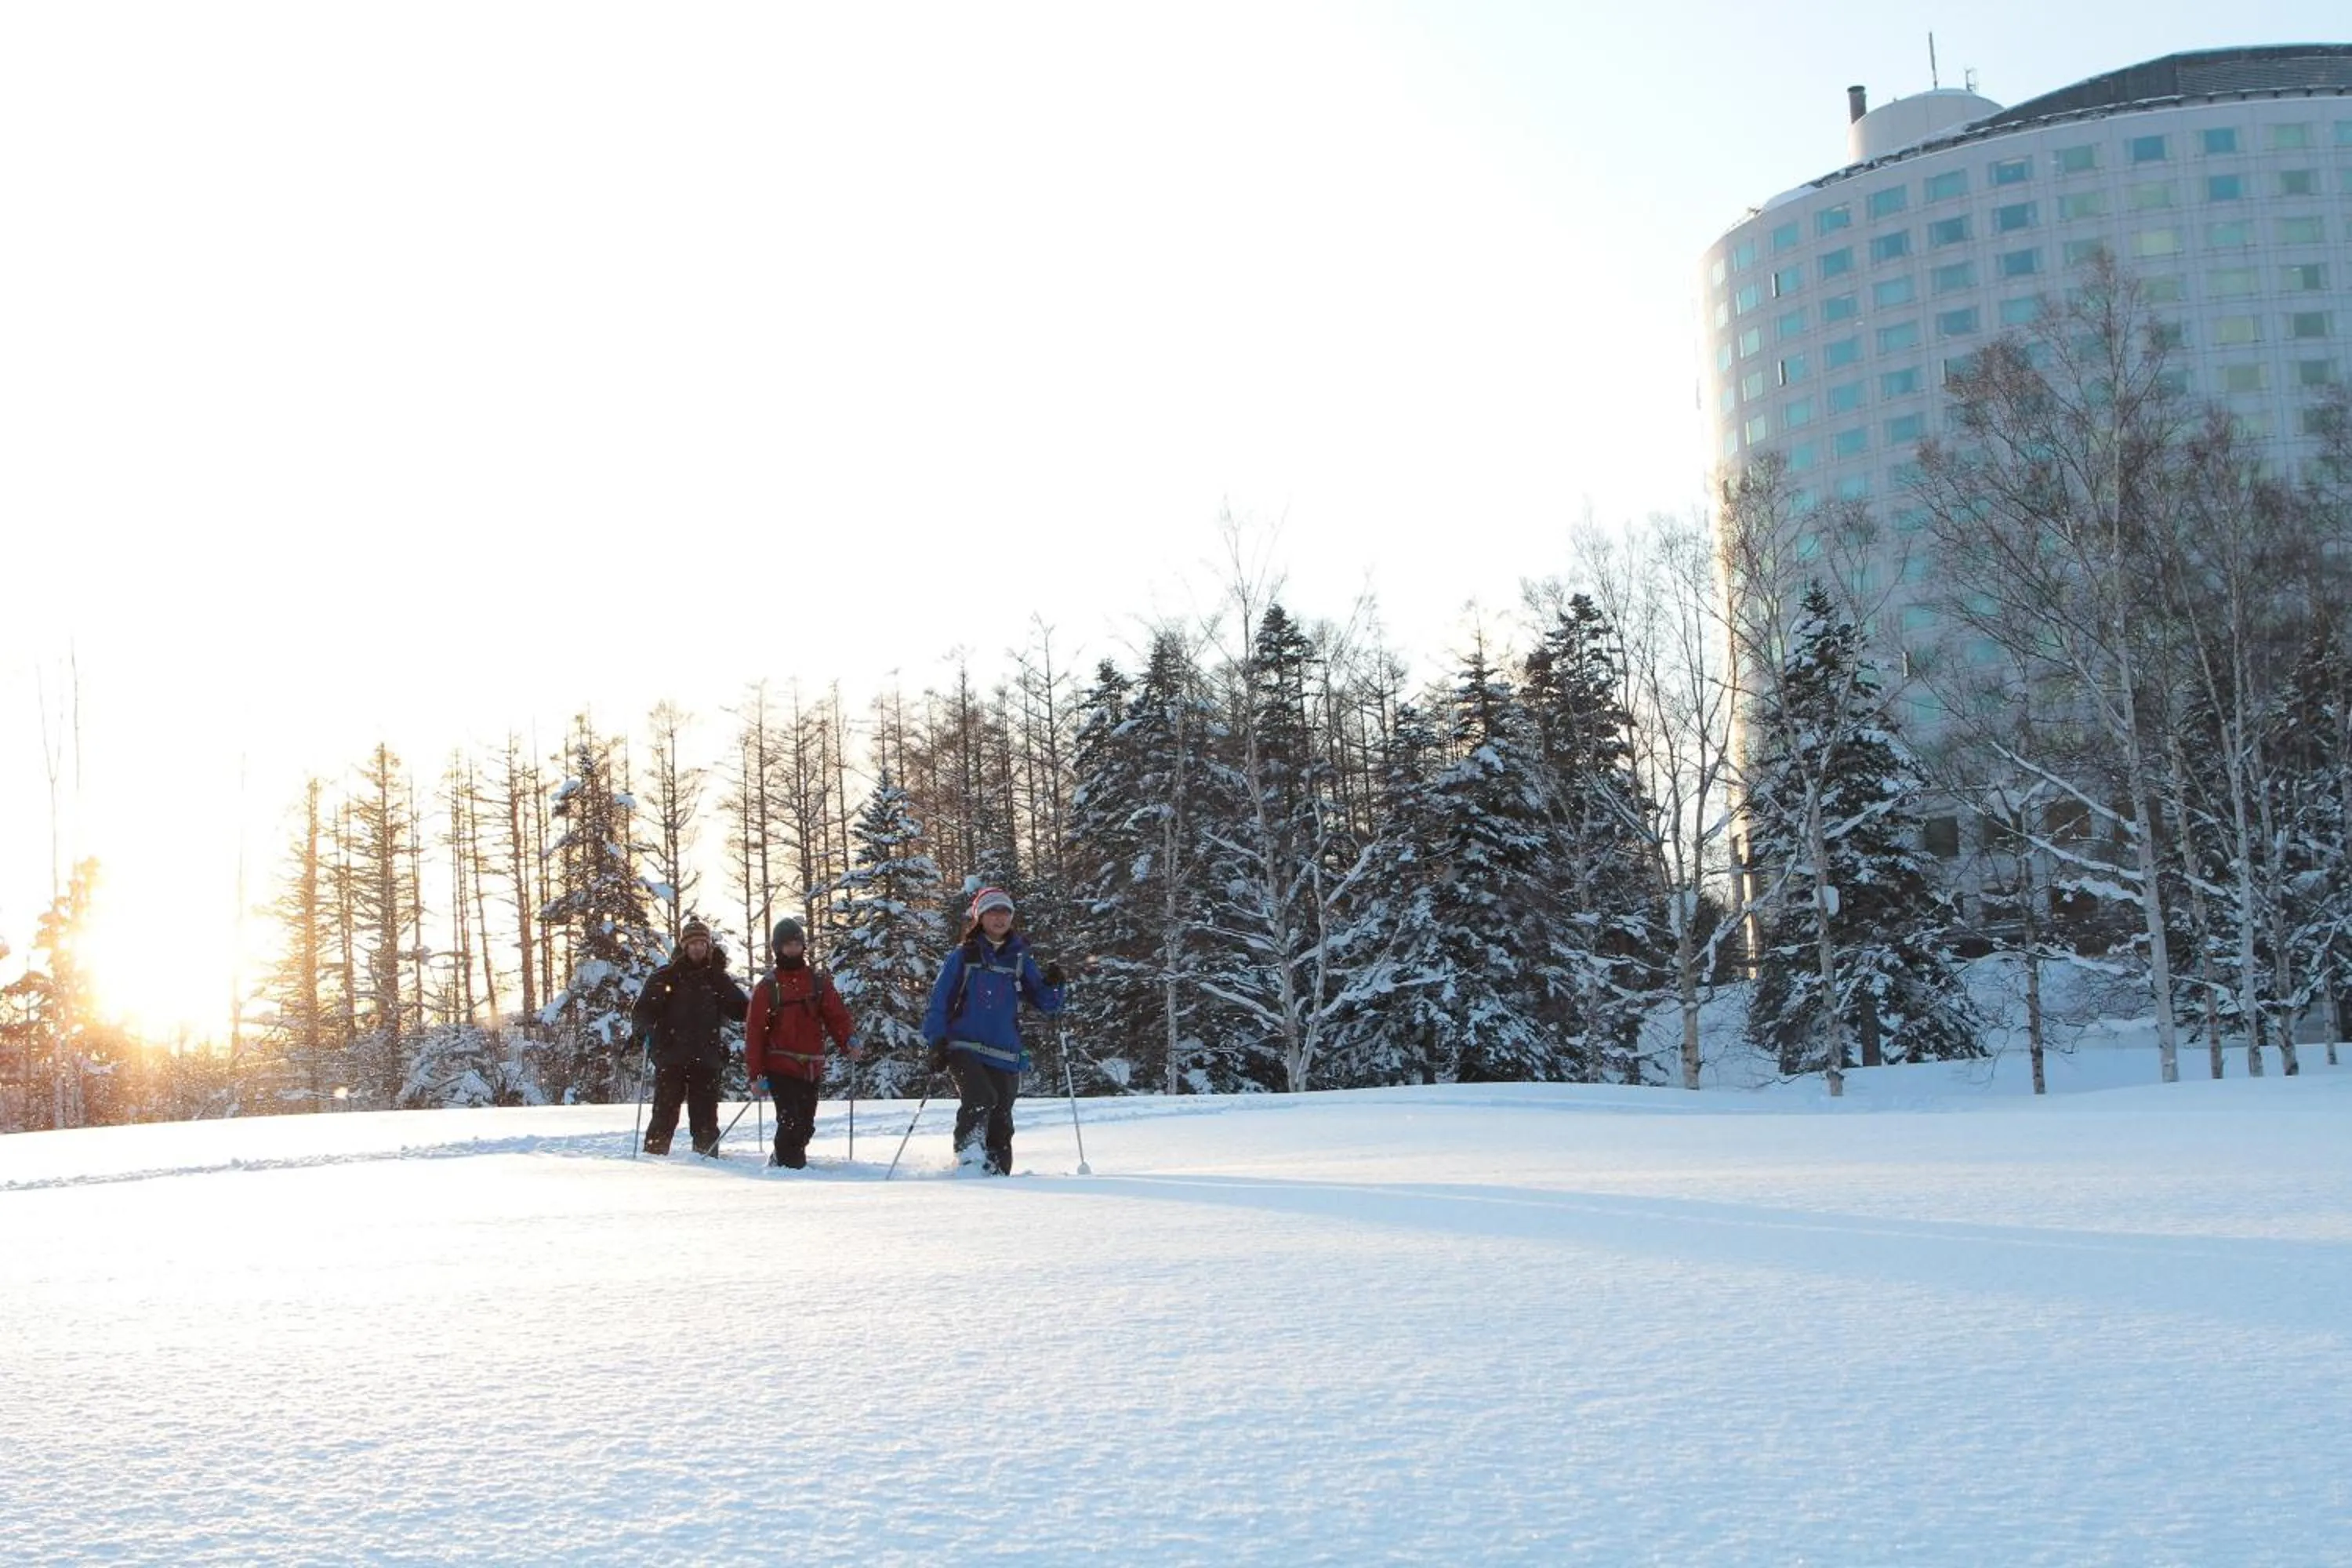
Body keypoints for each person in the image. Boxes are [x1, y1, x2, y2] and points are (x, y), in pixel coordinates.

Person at [920, 886, 1065, 1175]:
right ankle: (970, 1160)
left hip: (1004, 1051)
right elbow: (940, 1000)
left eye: (1005, 912)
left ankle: (998, 1175)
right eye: (993, 912)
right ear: (980, 917)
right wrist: (936, 1040)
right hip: (964, 1046)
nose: (1000, 918)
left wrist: (1054, 985)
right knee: (980, 1098)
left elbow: (1047, 1004)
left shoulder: (1019, 958)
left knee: (1001, 1117)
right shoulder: (964, 956)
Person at [628, 917, 750, 1156]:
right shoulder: (666, 976)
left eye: (702, 943)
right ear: (684, 946)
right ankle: (653, 1159)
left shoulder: (716, 978)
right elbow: (643, 1010)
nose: (697, 948)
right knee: (664, 1115)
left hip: (706, 1058)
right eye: (693, 943)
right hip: (670, 1056)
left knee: (705, 1118)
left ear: (708, 946)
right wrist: (644, 1030)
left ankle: (707, 1161)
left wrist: (764, 1011)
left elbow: (741, 1010)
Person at [745, 917, 858, 1169]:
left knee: (805, 1125)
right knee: (790, 1122)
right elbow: (755, 1033)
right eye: (788, 945)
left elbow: (837, 1016)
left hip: (811, 1067)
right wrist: (756, 1074)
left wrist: (848, 1041)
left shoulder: (818, 982)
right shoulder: (768, 987)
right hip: (780, 1066)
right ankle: (789, 1172)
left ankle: (786, 1164)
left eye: (797, 944)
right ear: (778, 948)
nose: (793, 949)